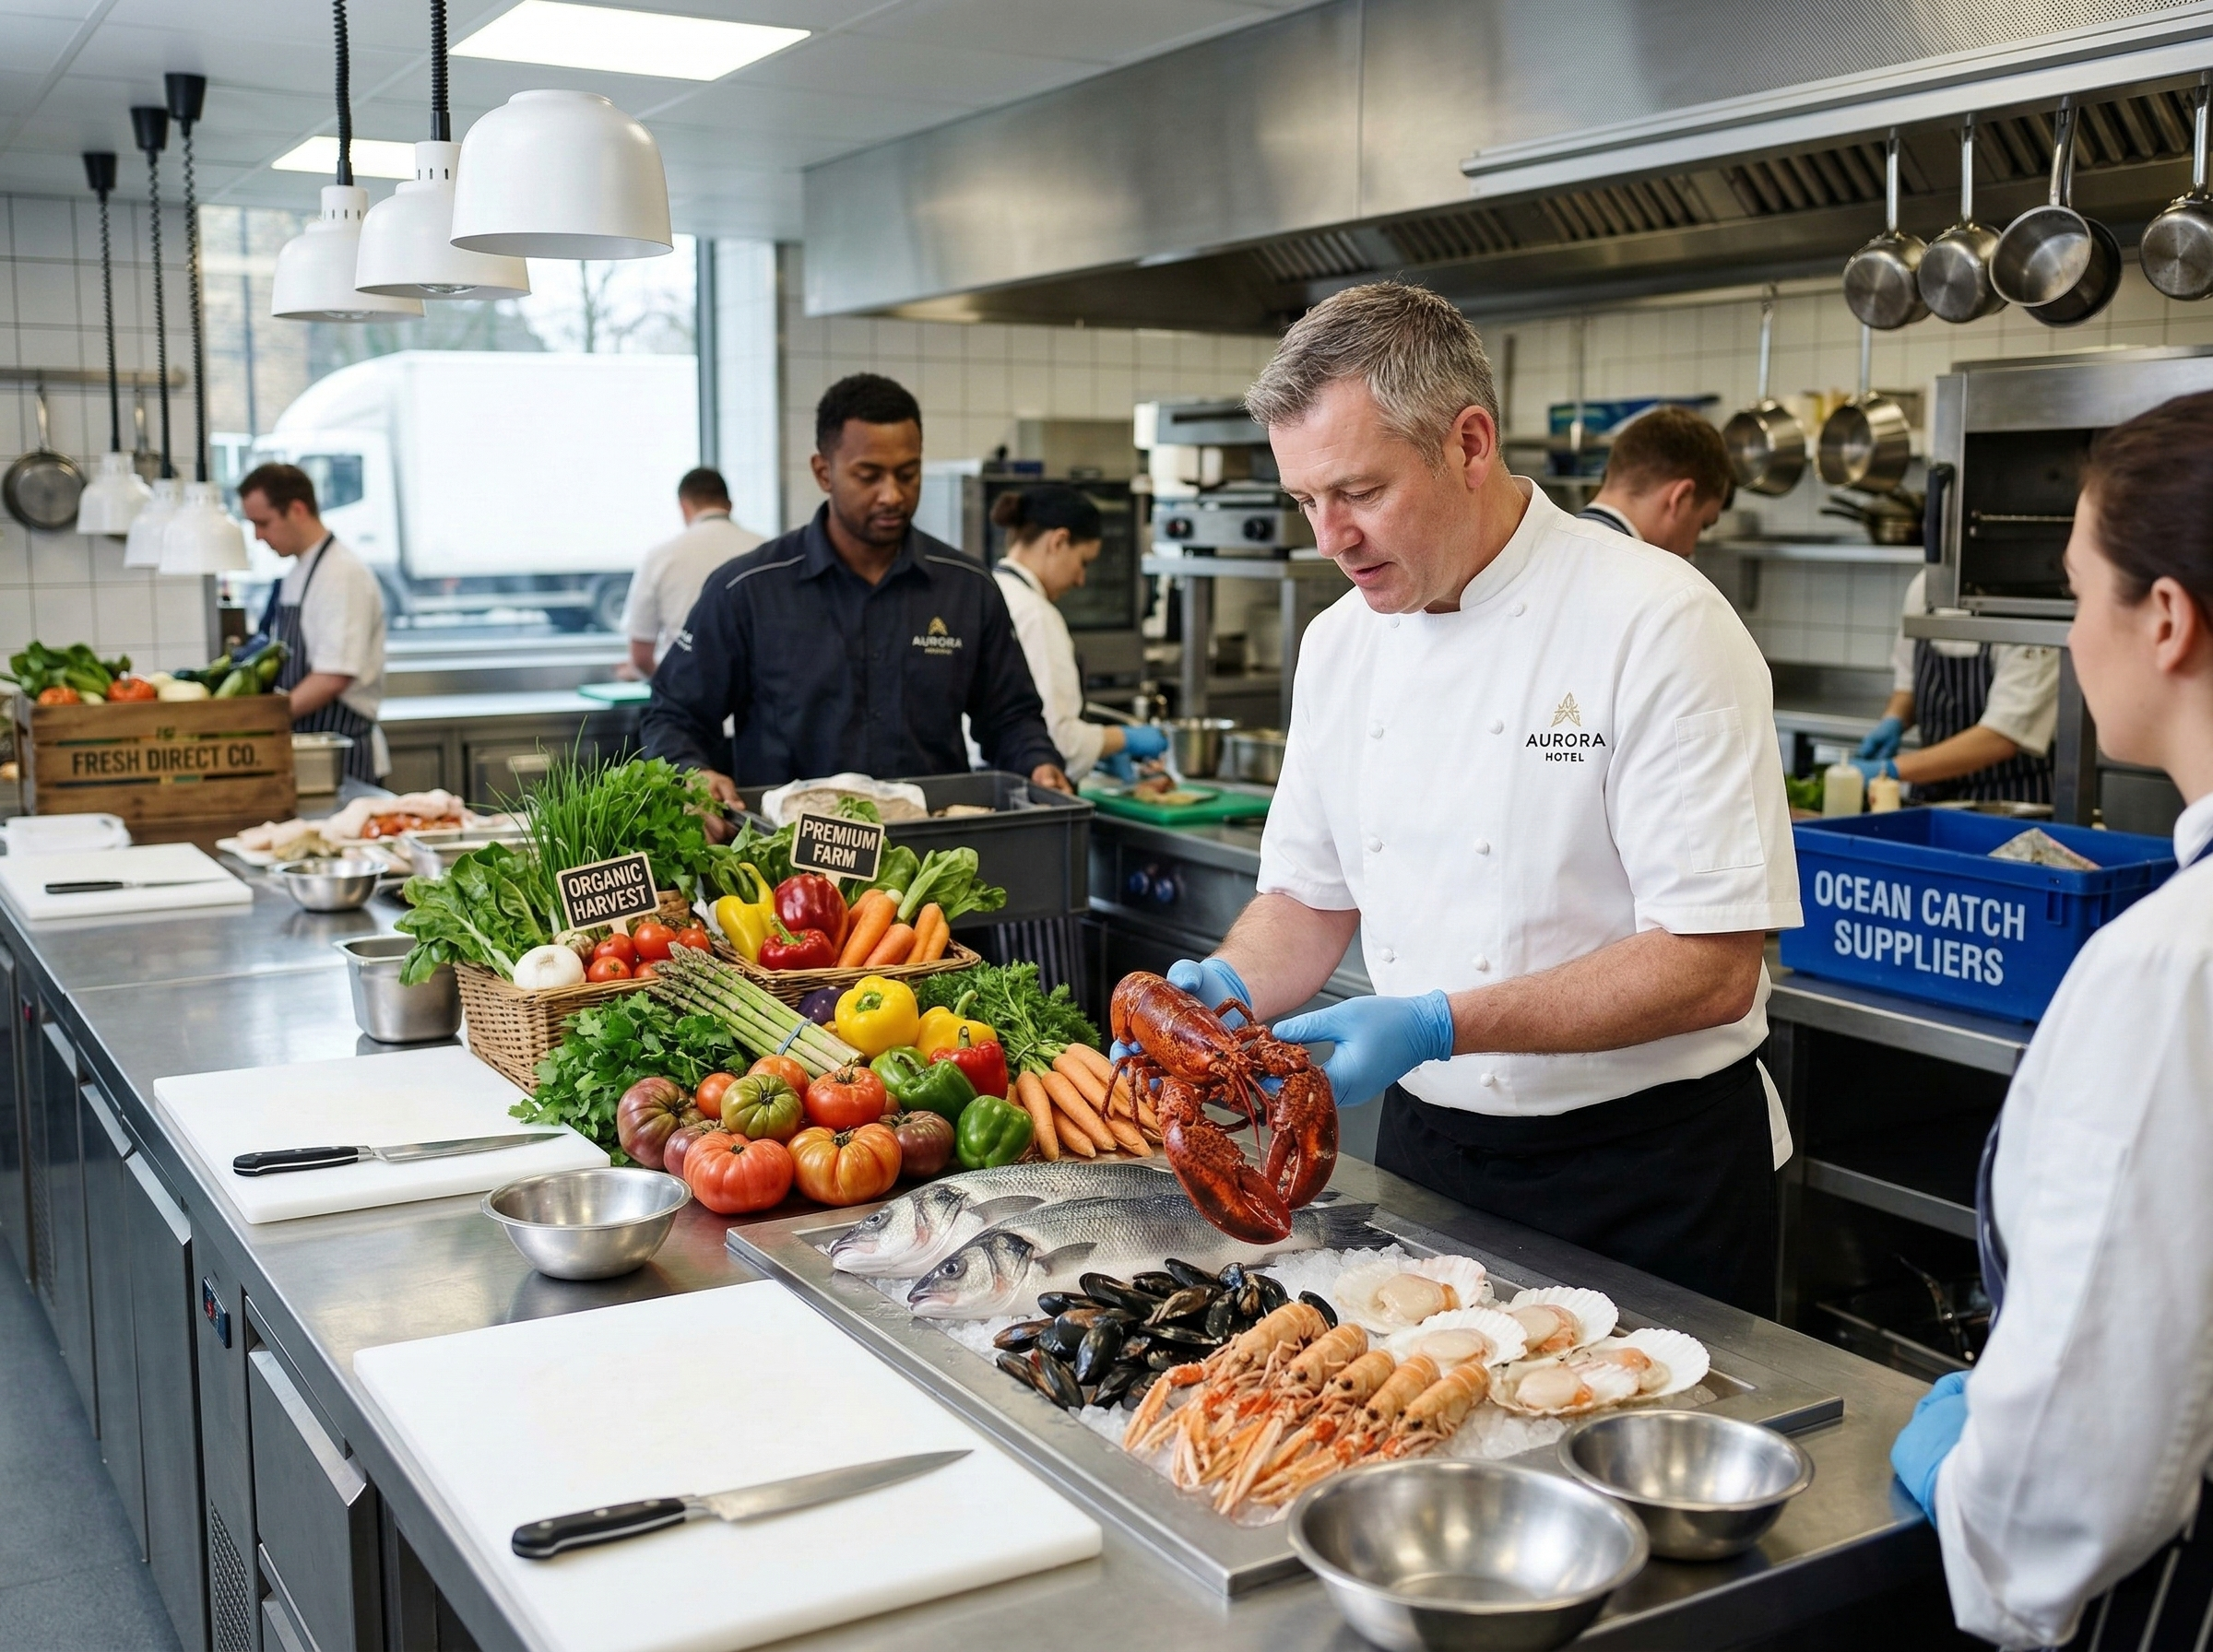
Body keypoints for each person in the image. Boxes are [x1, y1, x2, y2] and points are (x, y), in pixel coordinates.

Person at [1151, 282, 1799, 1314]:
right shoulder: (1339, 644)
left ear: (1468, 442)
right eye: (1306, 500)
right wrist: (1227, 989)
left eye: (1359, 491)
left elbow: (1714, 963)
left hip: (1646, 1177)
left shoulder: (1660, 621)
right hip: (1429, 1164)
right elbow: (1310, 900)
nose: (1331, 537)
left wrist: (1439, 1022)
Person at [1888, 391, 2213, 1649]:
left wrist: (1973, 1490)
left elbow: (2064, 1505)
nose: (2077, 636)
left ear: (2168, 620)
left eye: (2083, 597)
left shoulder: (2170, 973)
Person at [642, 374, 1068, 826]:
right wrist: (692, 773)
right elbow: (674, 715)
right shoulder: (747, 589)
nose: (893, 495)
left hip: (931, 867)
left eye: (908, 474)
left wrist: (1038, 763)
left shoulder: (966, 588)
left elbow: (1011, 718)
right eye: (869, 476)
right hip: (787, 871)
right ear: (823, 472)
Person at [988, 484, 1169, 783]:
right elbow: (1059, 741)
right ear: (1058, 541)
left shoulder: (991, 591)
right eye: (1083, 562)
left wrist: (1099, 752)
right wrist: (1123, 739)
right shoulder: (1036, 615)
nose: (1081, 579)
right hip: (1026, 785)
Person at [237, 462, 387, 785]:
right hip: (307, 750)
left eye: (263, 523)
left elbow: (334, 676)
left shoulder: (341, 574)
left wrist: (262, 721)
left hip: (342, 757)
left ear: (298, 509)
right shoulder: (299, 572)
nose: (259, 536)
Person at [1852, 570, 2059, 803]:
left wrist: (1890, 770)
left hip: (2008, 803)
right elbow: (1907, 681)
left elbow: (2004, 735)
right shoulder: (1927, 586)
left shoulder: (2032, 599)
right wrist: (1894, 720)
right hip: (1930, 799)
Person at [618, 466, 762, 678]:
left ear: (684, 507)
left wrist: (671, 685)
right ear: (730, 505)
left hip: (688, 698)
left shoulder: (661, 556)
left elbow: (640, 657)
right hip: (756, 700)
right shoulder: (766, 549)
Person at [1576, 404, 1734, 558]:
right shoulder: (1641, 576)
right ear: (1680, 498)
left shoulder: (1556, 545)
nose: (1690, 550)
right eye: (1703, 525)